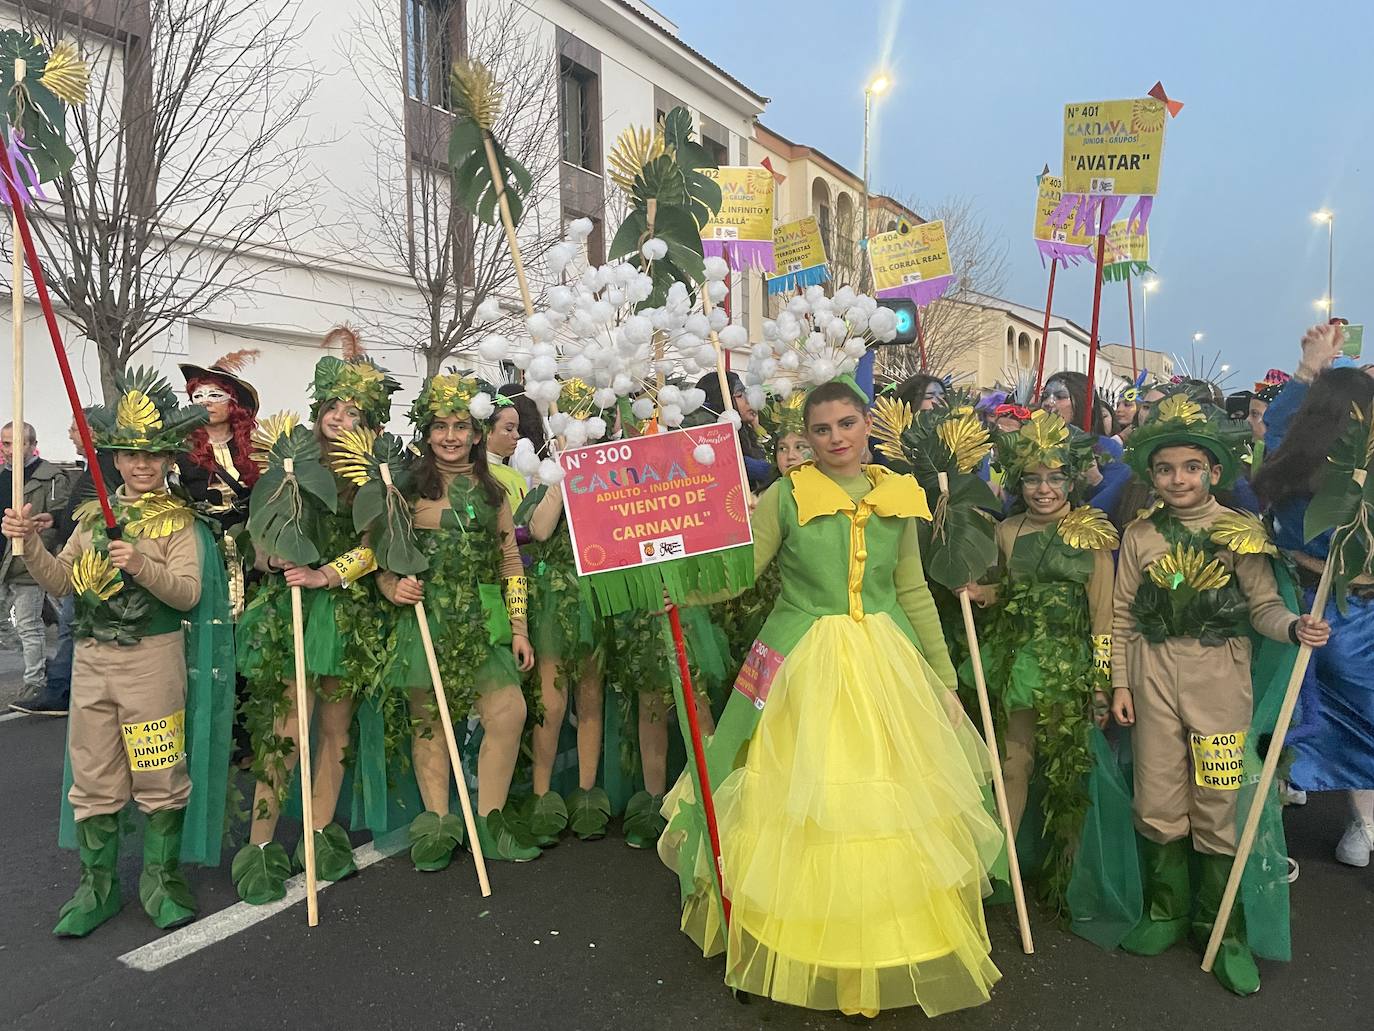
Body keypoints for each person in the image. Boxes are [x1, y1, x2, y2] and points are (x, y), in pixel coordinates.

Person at [659, 379, 1001, 1018]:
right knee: (788, 799)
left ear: (868, 422)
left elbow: (911, 591)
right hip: (796, 661)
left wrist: (945, 681)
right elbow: (740, 571)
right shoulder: (784, 496)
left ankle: (879, 944)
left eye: (847, 423)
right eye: (822, 429)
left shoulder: (900, 495)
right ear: (806, 438)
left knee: (886, 804)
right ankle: (795, 939)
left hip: (886, 662)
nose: (836, 438)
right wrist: (676, 585)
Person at [1, 369, 234, 937]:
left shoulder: (181, 522)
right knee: (94, 775)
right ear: (115, 459)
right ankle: (97, 886)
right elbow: (60, 583)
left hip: (152, 662)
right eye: (130, 455)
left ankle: (161, 881)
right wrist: (28, 542)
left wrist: (141, 564)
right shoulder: (88, 519)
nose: (141, 466)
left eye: (152, 457)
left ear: (167, 461)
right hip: (93, 662)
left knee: (158, 772)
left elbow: (188, 593)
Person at [1111, 391, 1330, 995]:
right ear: (1150, 474)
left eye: (1189, 467)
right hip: (1152, 677)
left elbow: (1262, 606)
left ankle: (1222, 928)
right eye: (1163, 468)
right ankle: (1165, 912)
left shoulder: (1242, 534)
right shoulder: (1140, 535)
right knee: (1156, 794)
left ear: (1212, 471)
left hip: (1219, 678)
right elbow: (1121, 614)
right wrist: (1119, 683)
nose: (1176, 479)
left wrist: (1293, 626)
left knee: (1217, 798)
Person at [231, 344, 403, 904]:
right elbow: (261, 527)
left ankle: (320, 832)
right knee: (283, 730)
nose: (339, 418)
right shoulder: (290, 458)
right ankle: (259, 845)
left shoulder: (375, 472)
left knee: (335, 729)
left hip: (345, 610)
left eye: (353, 411)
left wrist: (328, 573)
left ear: (369, 422)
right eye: (332, 406)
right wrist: (273, 553)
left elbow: (377, 545)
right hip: (293, 611)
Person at [378, 373, 540, 867]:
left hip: (482, 620)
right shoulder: (403, 487)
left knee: (508, 713)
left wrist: (519, 628)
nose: (451, 436)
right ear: (426, 433)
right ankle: (440, 821)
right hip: (425, 619)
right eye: (441, 426)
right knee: (430, 722)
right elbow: (381, 556)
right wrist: (392, 586)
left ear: (476, 433)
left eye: (461, 426)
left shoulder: (493, 492)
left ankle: (488, 822)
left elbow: (511, 562)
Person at [964, 410, 1116, 915]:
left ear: (1072, 479)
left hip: (1069, 664)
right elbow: (1009, 587)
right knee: (1012, 762)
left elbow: (1103, 613)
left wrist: (1101, 682)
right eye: (1032, 478)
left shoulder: (1092, 534)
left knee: (1068, 772)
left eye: (1054, 478)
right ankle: (1001, 866)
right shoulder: (1007, 531)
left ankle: (1068, 875)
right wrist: (982, 592)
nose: (1043, 489)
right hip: (1019, 659)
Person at [1256, 323, 1374, 867]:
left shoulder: (1291, 452)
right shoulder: (1329, 466)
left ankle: (1274, 825)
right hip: (1343, 616)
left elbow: (1280, 423)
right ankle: (1361, 825)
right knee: (1351, 717)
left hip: (1302, 605)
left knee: (1283, 710)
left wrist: (1309, 367)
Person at [10, 414, 122, 716]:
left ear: (93, 433)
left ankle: (59, 691)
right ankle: (65, 689)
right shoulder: (94, 467)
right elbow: (82, 512)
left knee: (71, 627)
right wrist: (56, 520)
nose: (70, 434)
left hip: (93, 561)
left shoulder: (107, 466)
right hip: (77, 553)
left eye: (74, 428)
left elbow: (104, 512)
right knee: (69, 627)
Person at [1, 421, 70, 703]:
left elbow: (59, 520)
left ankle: (35, 680)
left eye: (16, 443)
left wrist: (38, 547)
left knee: (29, 625)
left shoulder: (51, 478)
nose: (10, 450)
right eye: (5, 443)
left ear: (32, 444)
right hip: (1, 561)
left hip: (27, 564)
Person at [693, 371, 771, 492]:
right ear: (721, 401)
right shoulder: (705, 433)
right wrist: (768, 470)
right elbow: (729, 464)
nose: (748, 400)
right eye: (739, 395)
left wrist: (756, 428)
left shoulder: (743, 431)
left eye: (746, 393)